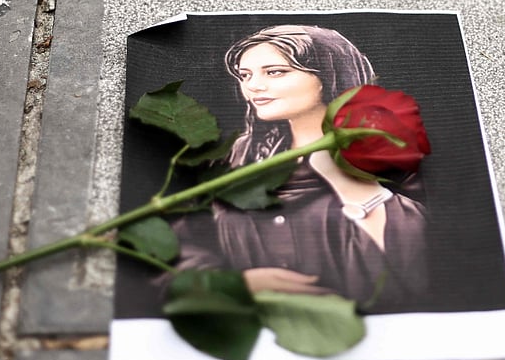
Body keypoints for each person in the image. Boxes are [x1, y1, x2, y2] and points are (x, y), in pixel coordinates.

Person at [173, 25, 428, 312]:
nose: (253, 86)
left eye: (274, 72)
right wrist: (232, 284)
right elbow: (183, 242)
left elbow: (422, 258)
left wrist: (352, 187)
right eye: (245, 75)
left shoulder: (385, 152)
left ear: (327, 77)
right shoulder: (238, 156)